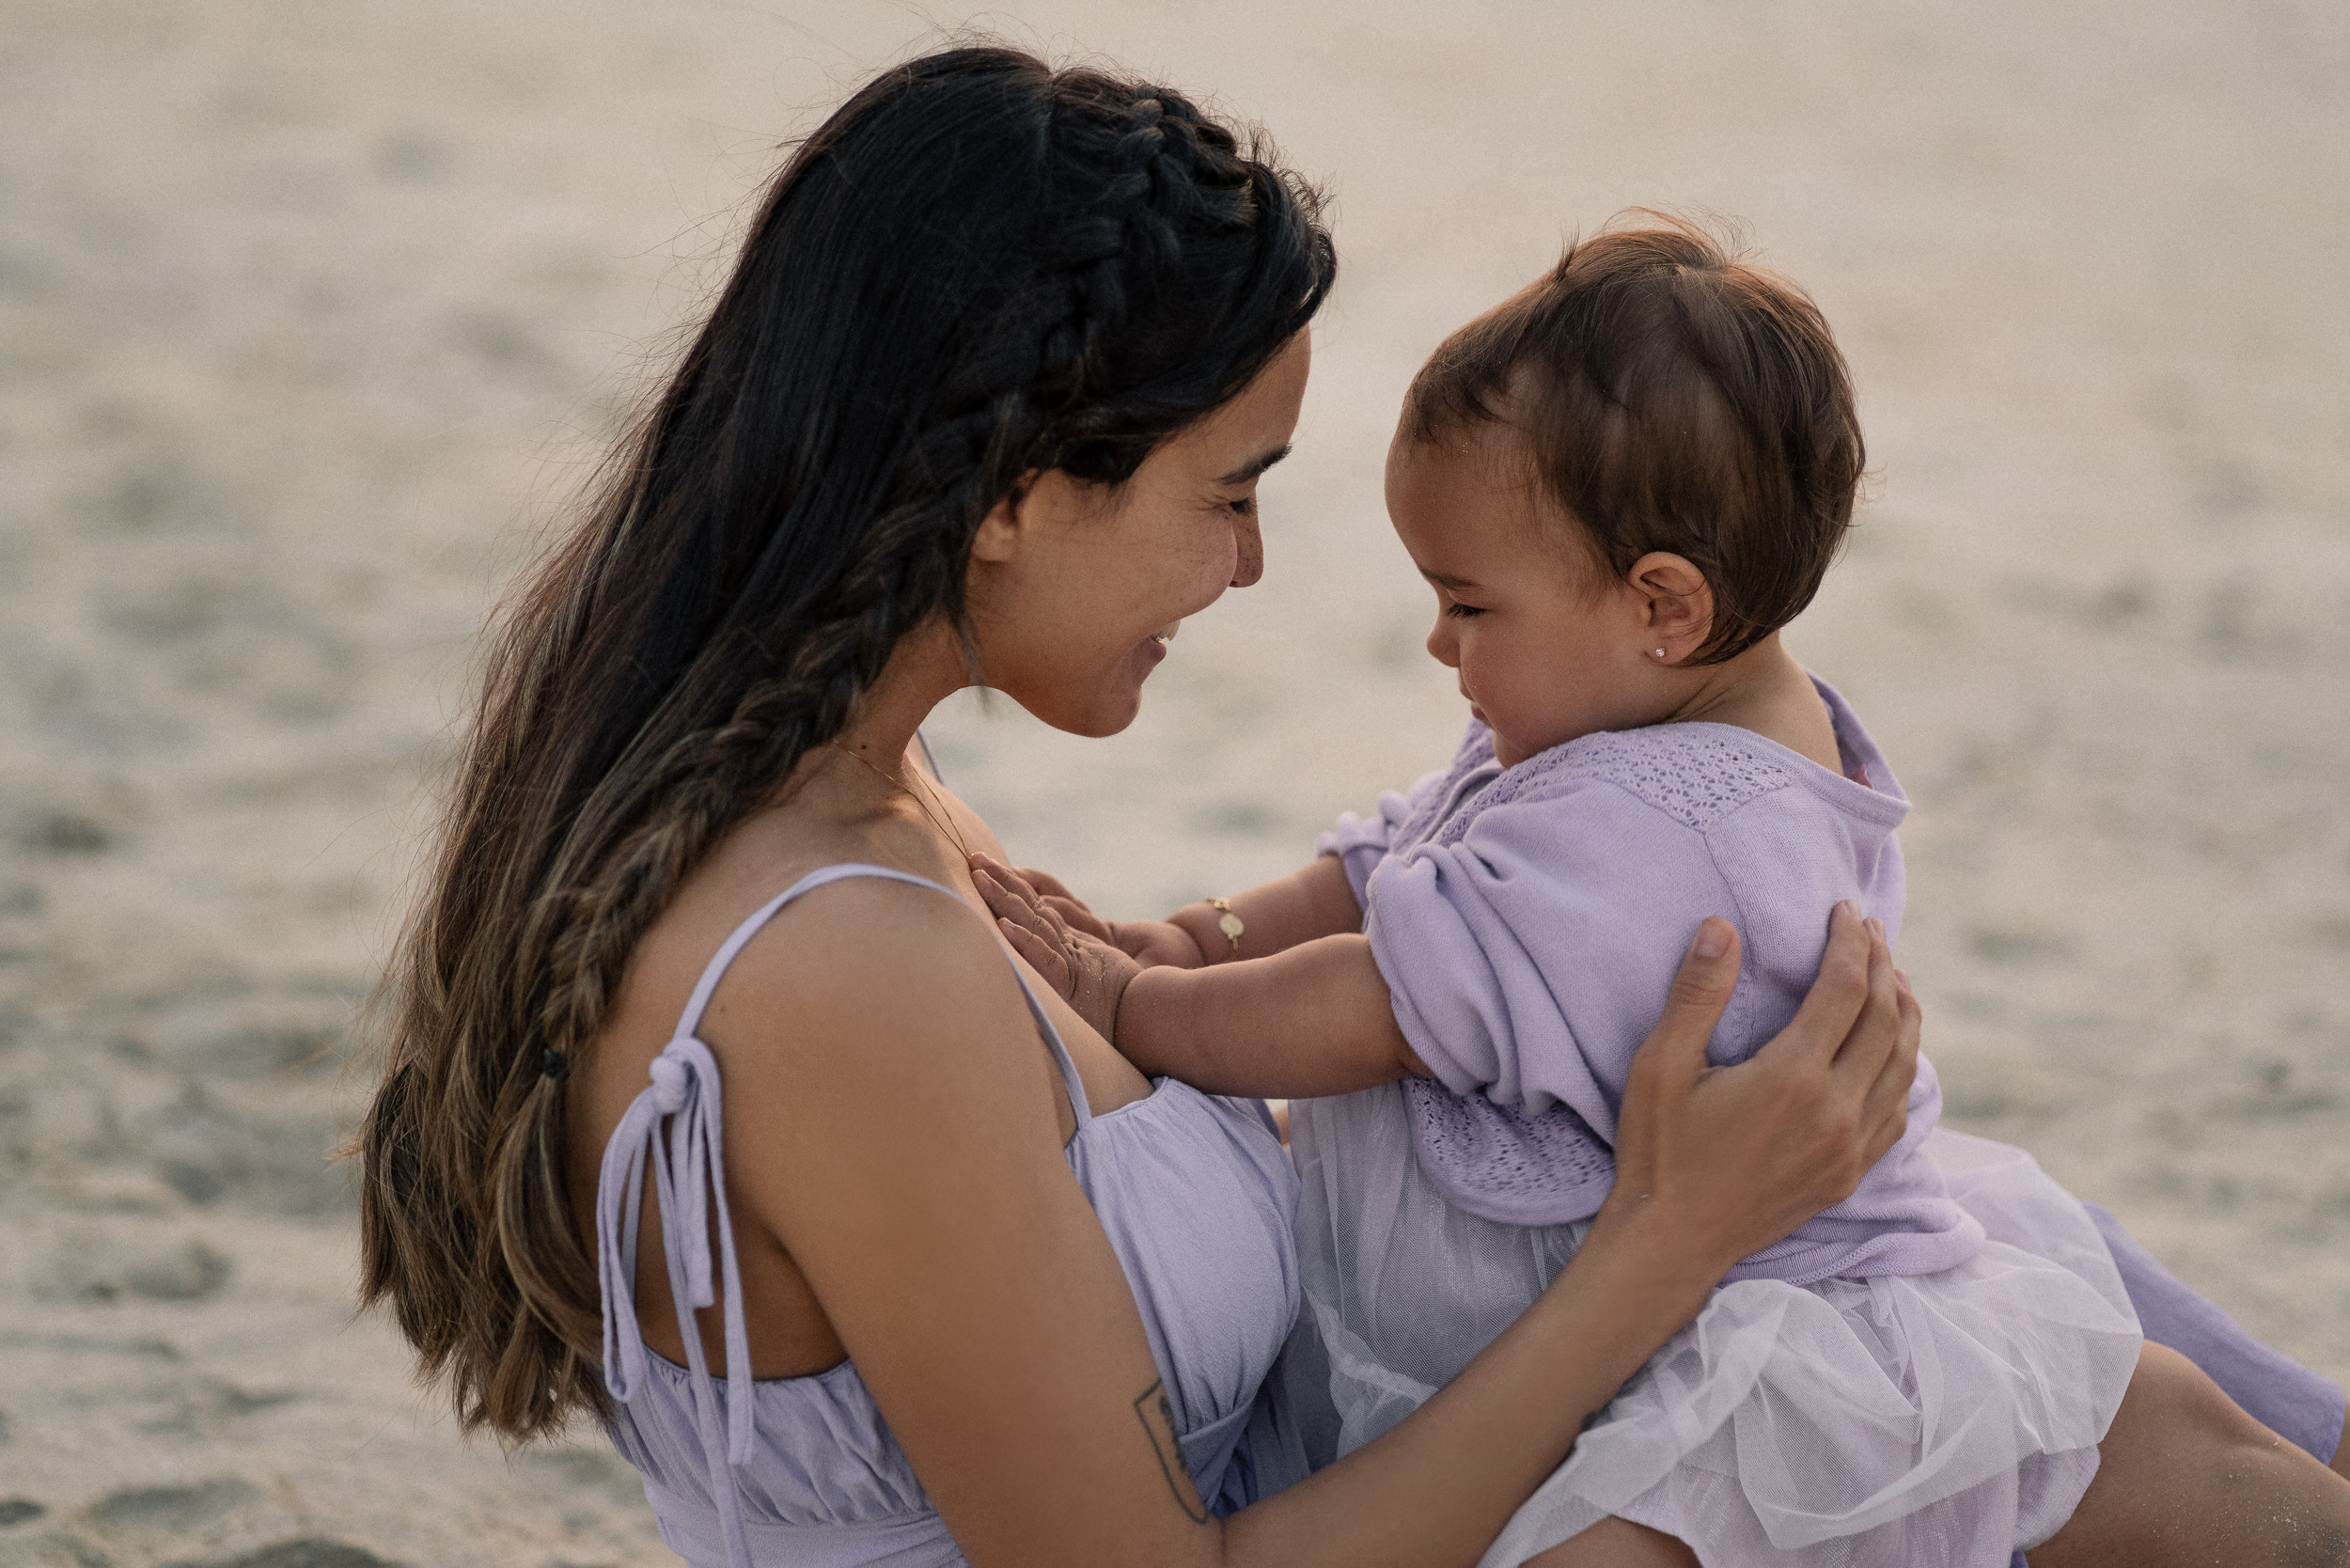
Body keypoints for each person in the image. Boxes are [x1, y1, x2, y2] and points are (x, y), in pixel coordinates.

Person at [353, 46, 2340, 1568]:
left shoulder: (874, 819)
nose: (1249, 573)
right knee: (2126, 1465)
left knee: (2130, 1410)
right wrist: (1666, 1239)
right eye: (1229, 491)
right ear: (1010, 490)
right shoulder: (837, 971)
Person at [972, 221, 2350, 1565]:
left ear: (1663, 606)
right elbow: (1385, 871)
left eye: (1471, 603)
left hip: (1746, 1357)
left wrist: (1136, 1000)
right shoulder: (1633, 728)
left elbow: (1383, 997)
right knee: (2180, 1420)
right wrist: (1195, 931)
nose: (1438, 640)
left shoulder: (1673, 825)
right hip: (1696, 1299)